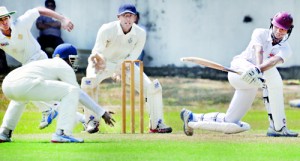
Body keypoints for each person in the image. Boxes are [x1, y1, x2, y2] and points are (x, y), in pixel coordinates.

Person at [180, 11, 298, 137]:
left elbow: (274, 61)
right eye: (277, 27)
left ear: (288, 31)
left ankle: (192, 118)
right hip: (240, 69)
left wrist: (258, 71)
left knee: (231, 124)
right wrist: (257, 69)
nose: (279, 31)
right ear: (272, 25)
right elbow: (259, 50)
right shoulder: (259, 32)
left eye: (283, 29)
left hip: (252, 82)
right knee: (272, 77)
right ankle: (278, 127)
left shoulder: (286, 49)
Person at [81, 3, 172, 133]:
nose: (128, 19)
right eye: (125, 16)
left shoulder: (140, 33)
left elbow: (133, 56)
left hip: (126, 64)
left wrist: (120, 69)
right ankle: (91, 121)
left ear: (135, 18)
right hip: (103, 63)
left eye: (131, 16)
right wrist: (97, 60)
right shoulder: (107, 29)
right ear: (119, 17)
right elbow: (97, 51)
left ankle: (156, 124)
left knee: (152, 88)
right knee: (88, 83)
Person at [0, 43, 115, 143]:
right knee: (72, 90)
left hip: (8, 84)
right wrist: (102, 112)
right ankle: (62, 133)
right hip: (24, 83)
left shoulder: (48, 64)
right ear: (68, 58)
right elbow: (78, 93)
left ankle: (4, 133)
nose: (74, 62)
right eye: (73, 58)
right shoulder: (63, 66)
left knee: (20, 98)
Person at [0, 6, 82, 130]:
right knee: (21, 96)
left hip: (38, 59)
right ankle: (82, 119)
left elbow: (38, 10)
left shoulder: (21, 23)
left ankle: (49, 111)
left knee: (24, 92)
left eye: (6, 18)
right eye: (0, 20)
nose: (4, 22)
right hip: (27, 66)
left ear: (10, 18)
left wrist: (63, 19)